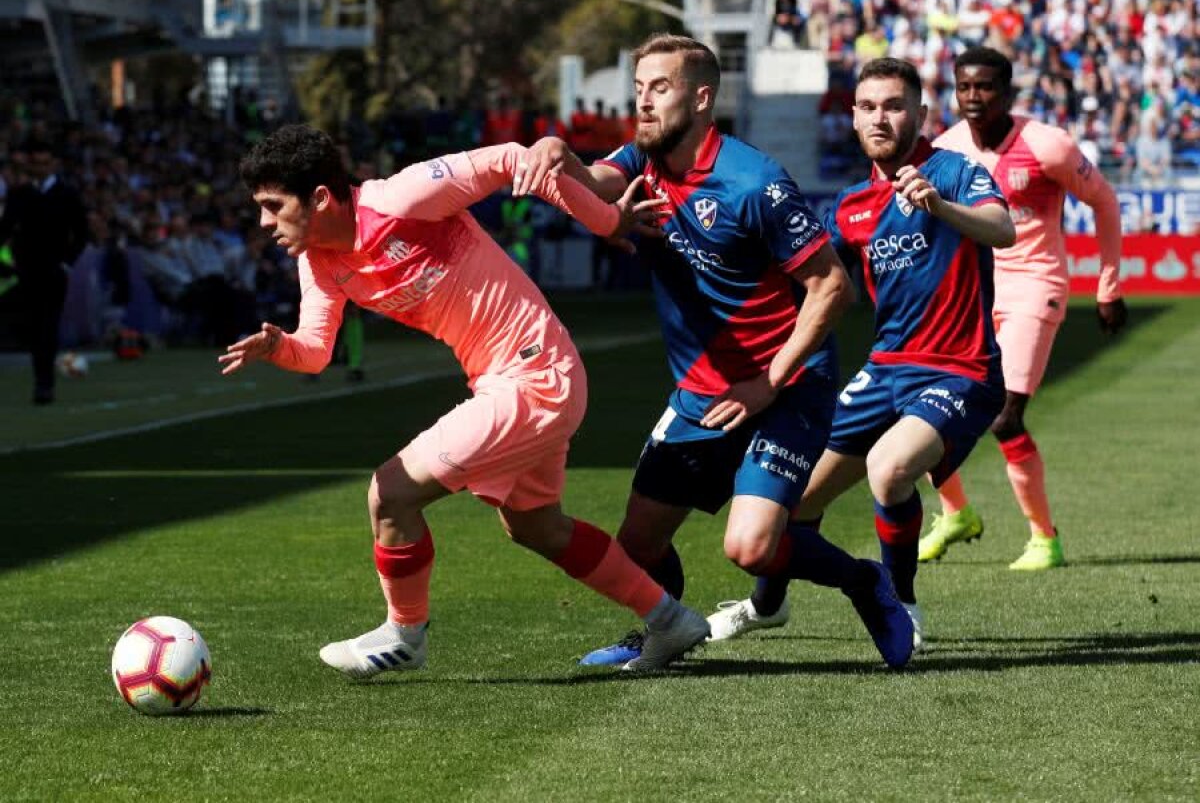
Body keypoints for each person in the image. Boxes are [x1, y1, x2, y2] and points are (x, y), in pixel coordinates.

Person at [223, 124, 711, 676]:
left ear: (319, 197)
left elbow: (511, 159)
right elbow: (314, 351)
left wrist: (606, 219)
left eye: (272, 205)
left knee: (390, 495)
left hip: (534, 374)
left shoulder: (402, 198)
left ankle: (405, 636)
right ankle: (673, 622)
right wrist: (278, 346)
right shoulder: (318, 261)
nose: (264, 222)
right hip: (518, 379)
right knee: (537, 528)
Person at [514, 34, 916, 670]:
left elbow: (832, 287)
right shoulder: (641, 161)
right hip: (702, 391)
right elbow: (593, 184)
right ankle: (662, 626)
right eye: (639, 89)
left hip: (786, 383)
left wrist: (767, 383)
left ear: (702, 99)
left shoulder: (754, 182)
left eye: (660, 89)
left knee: (752, 547)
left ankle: (866, 583)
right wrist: (557, 153)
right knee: (637, 544)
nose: (643, 103)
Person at [709, 58, 1014, 649]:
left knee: (890, 467)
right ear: (852, 118)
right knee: (788, 508)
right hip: (883, 373)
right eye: (869, 107)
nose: (881, 117)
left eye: (895, 105)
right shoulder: (851, 206)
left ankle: (901, 603)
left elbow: (1003, 230)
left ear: (922, 114)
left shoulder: (952, 172)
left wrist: (940, 208)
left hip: (961, 370)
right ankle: (766, 607)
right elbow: (813, 289)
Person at [922, 46, 1127, 571]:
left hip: (1036, 285)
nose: (973, 97)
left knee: (1003, 417)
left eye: (985, 87)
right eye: (964, 86)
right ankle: (956, 513)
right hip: (972, 292)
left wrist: (1108, 286)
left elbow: (1104, 200)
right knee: (926, 407)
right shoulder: (944, 149)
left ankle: (1045, 538)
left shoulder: (1046, 145)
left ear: (1008, 92)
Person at [0, 139, 88, 405]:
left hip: (52, 271)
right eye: (36, 163)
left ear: (53, 164)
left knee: (46, 326)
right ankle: (42, 380)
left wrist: (66, 263)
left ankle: (44, 384)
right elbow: (4, 230)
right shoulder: (20, 195)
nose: (40, 168)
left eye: (44, 163)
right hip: (25, 269)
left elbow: (81, 233)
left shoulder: (67, 194)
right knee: (34, 326)